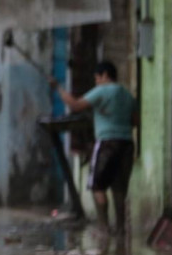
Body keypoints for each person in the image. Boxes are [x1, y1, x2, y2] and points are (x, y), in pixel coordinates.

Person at [52, 61, 137, 237]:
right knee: (119, 189)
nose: (97, 82)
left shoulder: (102, 90)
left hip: (107, 143)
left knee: (97, 186)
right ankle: (121, 230)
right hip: (127, 144)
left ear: (105, 75)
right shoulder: (127, 95)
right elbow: (136, 121)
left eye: (97, 78)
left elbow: (75, 105)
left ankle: (103, 228)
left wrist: (58, 88)